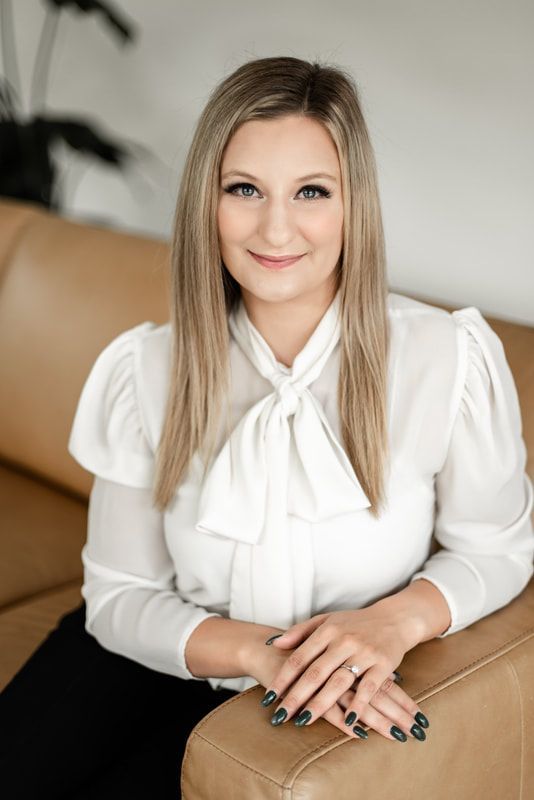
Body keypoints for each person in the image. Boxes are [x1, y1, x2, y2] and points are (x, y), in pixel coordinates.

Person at [1, 55, 533, 798]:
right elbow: (120, 596)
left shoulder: (448, 357)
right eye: (244, 189)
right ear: (207, 203)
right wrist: (262, 654)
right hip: (158, 653)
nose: (276, 227)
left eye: (311, 191)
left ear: (354, 204)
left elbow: (499, 550)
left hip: (324, 685)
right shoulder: (145, 368)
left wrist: (395, 624)